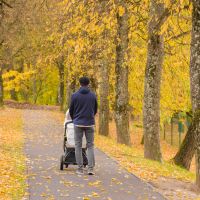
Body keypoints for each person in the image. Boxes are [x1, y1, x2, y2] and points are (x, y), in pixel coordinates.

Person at [69, 77, 97, 175]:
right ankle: (90, 169)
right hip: (89, 123)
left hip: (78, 123)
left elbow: (71, 110)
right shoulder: (93, 96)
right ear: (88, 84)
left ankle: (80, 169)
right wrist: (90, 117)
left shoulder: (75, 95)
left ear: (80, 83)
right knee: (90, 146)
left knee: (78, 145)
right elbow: (95, 109)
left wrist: (75, 119)